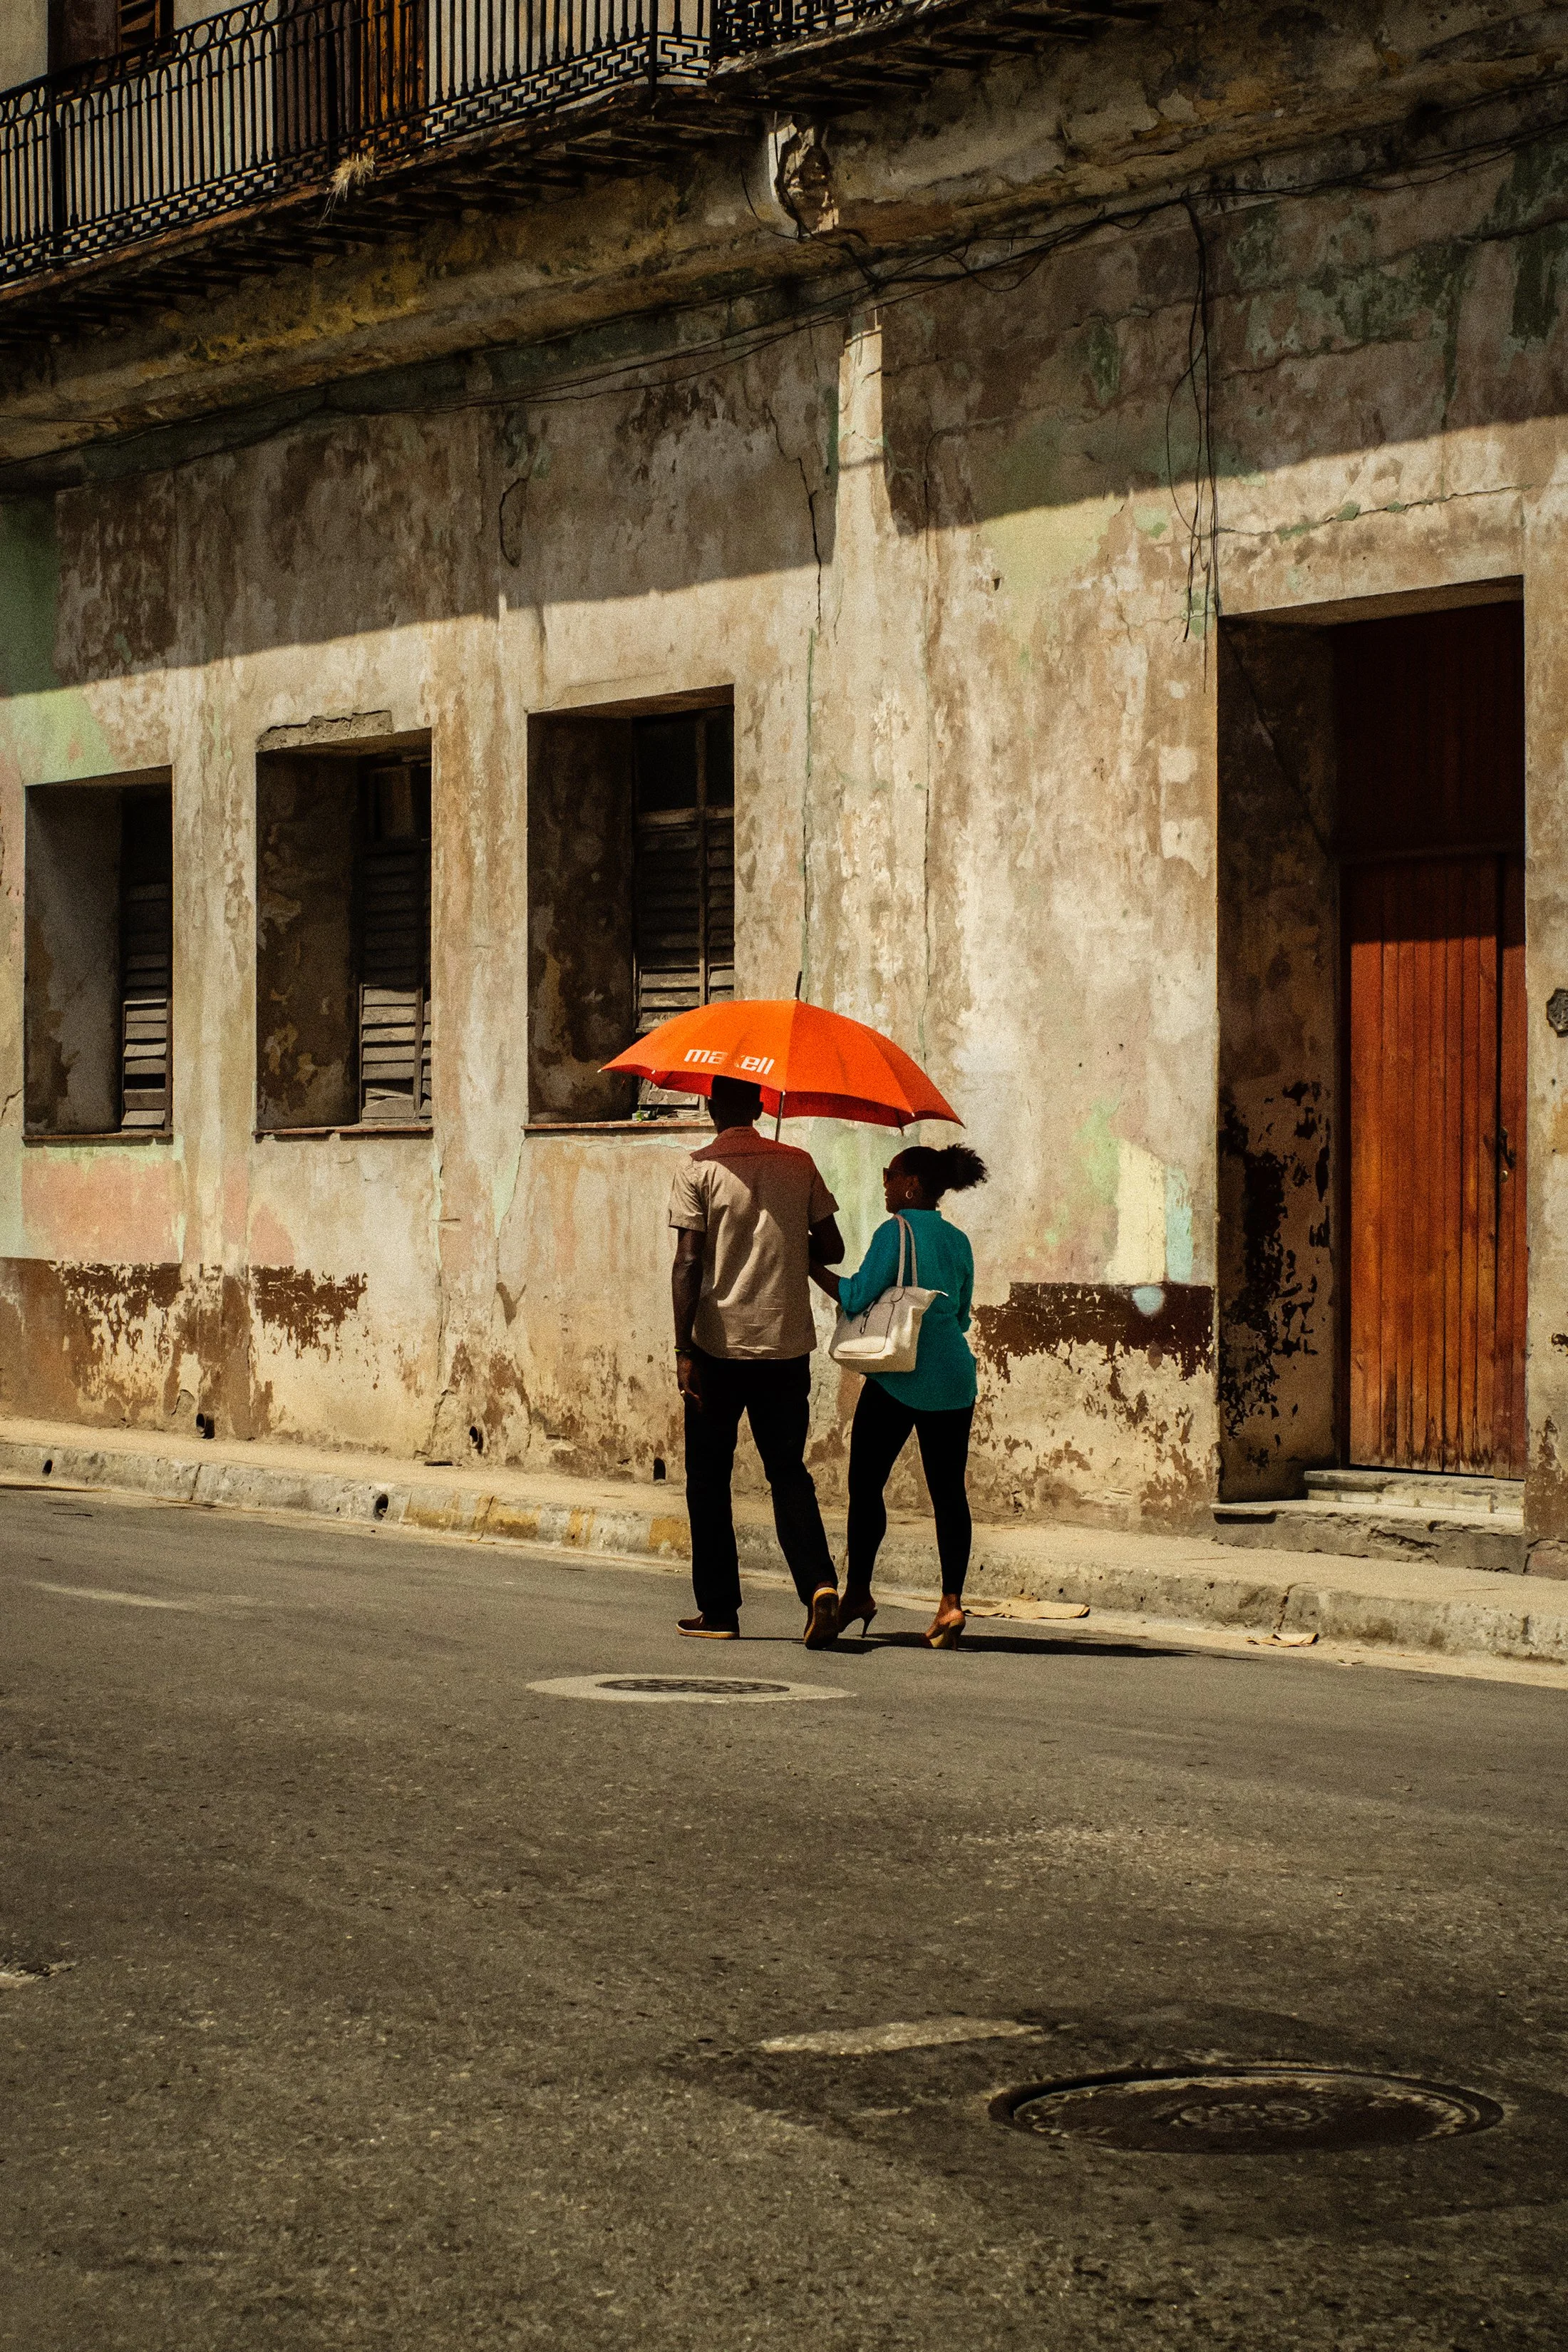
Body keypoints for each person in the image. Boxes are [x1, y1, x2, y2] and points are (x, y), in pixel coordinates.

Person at [669, 1074, 845, 1646]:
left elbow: (688, 1263)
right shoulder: (798, 1162)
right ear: (762, 1106)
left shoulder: (697, 1168)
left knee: (708, 1480)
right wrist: (789, 1235)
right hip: (785, 1345)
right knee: (787, 1472)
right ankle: (819, 1585)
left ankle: (719, 1610)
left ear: (711, 1107)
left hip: (718, 1349)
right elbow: (834, 1249)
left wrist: (682, 1349)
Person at [810, 1144, 988, 1648]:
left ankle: (860, 1593)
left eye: (889, 1176)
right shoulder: (957, 1239)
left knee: (866, 1485)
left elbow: (854, 1296)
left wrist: (809, 1264)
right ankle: (950, 1604)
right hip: (955, 1378)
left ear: (910, 1184)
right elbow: (962, 1315)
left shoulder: (895, 1232)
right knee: (949, 1493)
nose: (883, 1184)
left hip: (899, 1378)